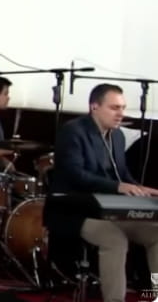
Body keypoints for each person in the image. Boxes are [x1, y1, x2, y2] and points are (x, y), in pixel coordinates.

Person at [48, 83, 158, 302]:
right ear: (94, 107)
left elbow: (123, 175)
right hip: (73, 210)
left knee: (156, 234)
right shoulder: (73, 131)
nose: (121, 114)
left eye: (123, 107)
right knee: (114, 239)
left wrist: (142, 189)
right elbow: (75, 175)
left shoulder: (118, 137)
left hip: (108, 209)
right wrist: (118, 187)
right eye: (114, 107)